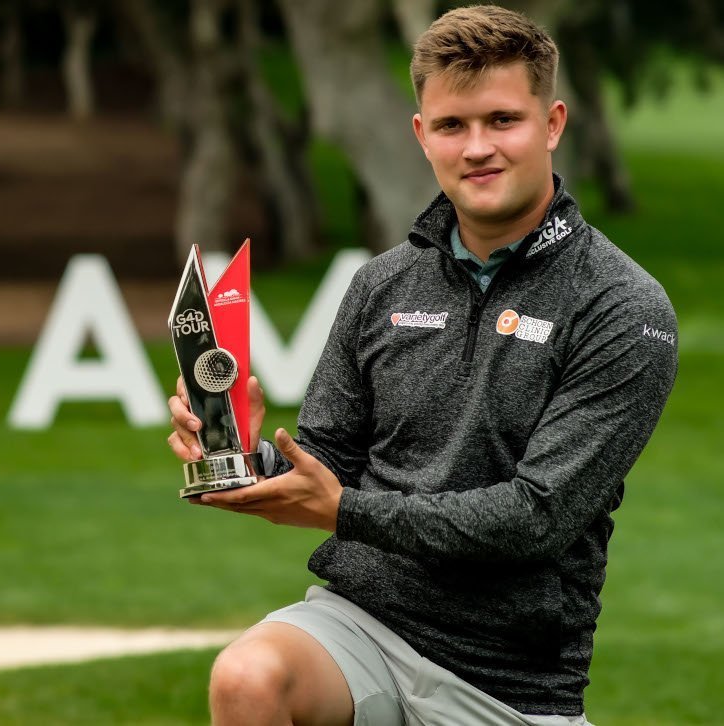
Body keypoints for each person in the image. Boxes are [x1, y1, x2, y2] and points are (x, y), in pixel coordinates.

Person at [167, 5, 678, 725]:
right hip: (360, 627)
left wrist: (344, 509)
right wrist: (239, 452)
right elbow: (329, 468)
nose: (477, 148)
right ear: (421, 134)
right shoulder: (381, 286)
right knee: (247, 680)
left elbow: (535, 518)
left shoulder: (624, 307)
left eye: (503, 120)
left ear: (553, 123)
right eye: (451, 125)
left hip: (510, 680)